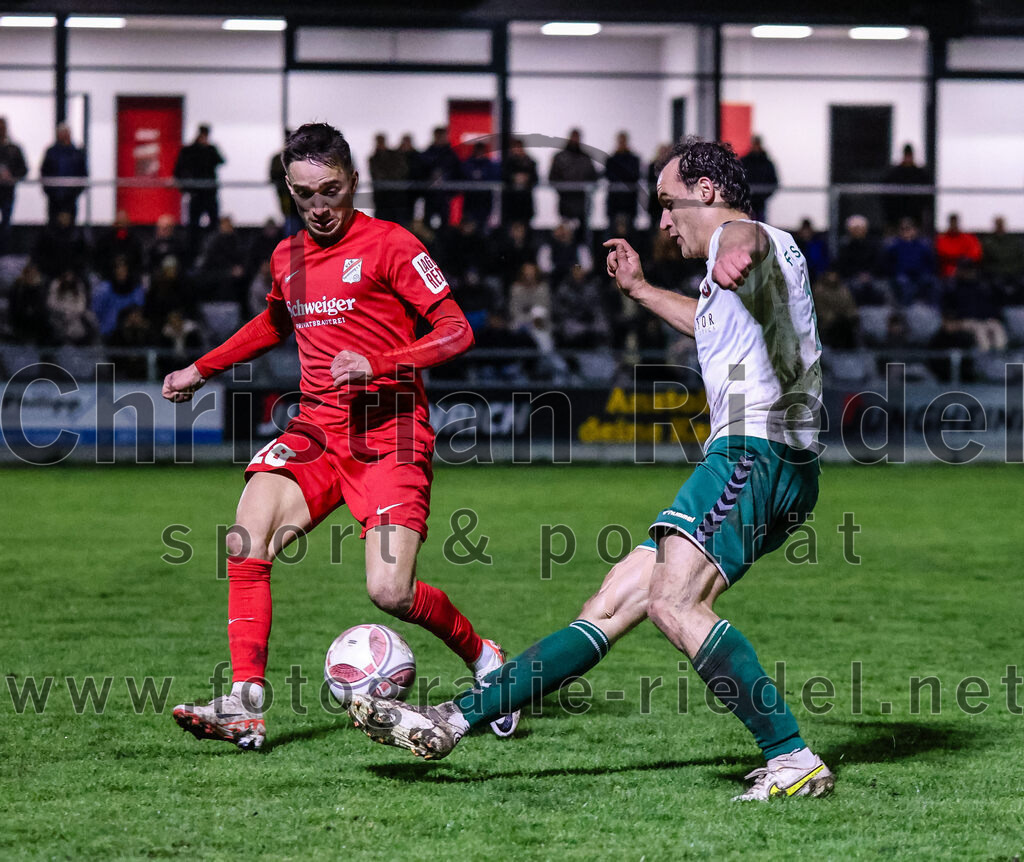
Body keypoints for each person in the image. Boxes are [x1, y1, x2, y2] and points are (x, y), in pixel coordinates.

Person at [349, 136, 834, 803]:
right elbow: (711, 320)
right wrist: (639, 290)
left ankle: (792, 756)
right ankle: (452, 721)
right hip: (768, 458)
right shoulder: (734, 275)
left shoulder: (752, 240)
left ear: (709, 192)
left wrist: (735, 246)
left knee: (673, 601)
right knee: (611, 603)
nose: (662, 221)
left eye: (668, 204)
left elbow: (739, 239)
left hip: (757, 450)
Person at [163, 122, 518, 751]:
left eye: (330, 191)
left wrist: (378, 363)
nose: (320, 208)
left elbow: (457, 330)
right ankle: (245, 701)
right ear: (290, 193)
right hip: (319, 433)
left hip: (391, 435)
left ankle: (482, 653)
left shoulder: (392, 244)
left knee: (390, 591)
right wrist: (201, 367)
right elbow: (272, 322)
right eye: (305, 196)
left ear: (352, 180)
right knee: (248, 535)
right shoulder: (286, 256)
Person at [174, 124, 225, 254]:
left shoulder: (210, 149)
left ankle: (212, 252)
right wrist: (185, 187)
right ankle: (192, 255)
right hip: (196, 194)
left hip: (209, 194)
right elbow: (178, 170)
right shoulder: (190, 150)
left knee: (214, 226)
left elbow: (221, 161)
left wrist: (208, 148)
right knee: (193, 229)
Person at [40, 122, 88, 225]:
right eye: (61, 133)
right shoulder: (51, 152)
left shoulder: (77, 153)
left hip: (71, 197)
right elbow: (44, 172)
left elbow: (83, 174)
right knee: (53, 225)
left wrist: (76, 192)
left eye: (65, 133)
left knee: (70, 224)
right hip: (54, 197)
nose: (64, 135)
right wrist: (49, 190)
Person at [549, 129, 598, 227]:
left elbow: (593, 177)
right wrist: (564, 189)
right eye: (573, 137)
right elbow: (553, 177)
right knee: (566, 229)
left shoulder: (585, 157)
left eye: (577, 137)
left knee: (582, 231)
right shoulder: (560, 157)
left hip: (583, 201)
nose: (575, 140)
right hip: (565, 201)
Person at [883, 144, 931, 231]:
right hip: (897, 211)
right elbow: (886, 194)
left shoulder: (920, 173)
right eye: (906, 155)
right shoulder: (894, 173)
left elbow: (927, 195)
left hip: (915, 211)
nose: (908, 158)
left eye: (910, 155)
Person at [0, 116, 29, 254]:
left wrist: (12, 176)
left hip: (7, 192)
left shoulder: (14, 149)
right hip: (7, 192)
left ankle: (4, 254)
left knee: (6, 226)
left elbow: (23, 169)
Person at [604, 131, 641, 227]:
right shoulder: (611, 159)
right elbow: (609, 176)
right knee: (612, 228)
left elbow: (634, 175)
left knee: (630, 229)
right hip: (615, 200)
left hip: (629, 200)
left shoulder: (633, 159)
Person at [739, 136, 778, 223]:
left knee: (760, 226)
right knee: (746, 225)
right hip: (746, 202)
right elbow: (738, 179)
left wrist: (763, 194)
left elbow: (773, 182)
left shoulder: (767, 163)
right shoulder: (744, 162)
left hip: (760, 202)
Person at [501, 138, 538, 226]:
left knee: (525, 228)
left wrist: (526, 178)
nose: (517, 150)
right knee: (511, 227)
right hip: (511, 202)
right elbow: (503, 177)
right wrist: (514, 178)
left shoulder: (530, 162)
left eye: (519, 147)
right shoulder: (507, 163)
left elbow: (535, 179)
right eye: (515, 147)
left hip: (525, 202)